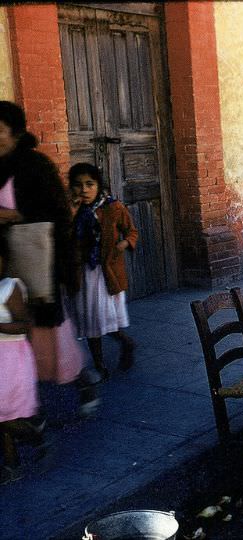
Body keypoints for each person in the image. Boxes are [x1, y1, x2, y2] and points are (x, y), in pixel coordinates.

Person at [0, 101, 98, 415]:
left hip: (36, 261)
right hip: (4, 263)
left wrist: (14, 214)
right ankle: (25, 402)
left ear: (13, 132)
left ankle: (82, 382)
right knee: (14, 332)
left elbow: (58, 213)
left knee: (51, 332)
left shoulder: (35, 165)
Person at [68, 163, 137, 380]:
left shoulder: (113, 207)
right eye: (78, 185)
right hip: (83, 273)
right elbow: (63, 237)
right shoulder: (72, 209)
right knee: (89, 320)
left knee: (106, 318)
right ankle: (98, 363)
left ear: (98, 185)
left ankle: (126, 343)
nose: (84, 190)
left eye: (90, 184)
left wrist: (124, 244)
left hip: (107, 274)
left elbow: (131, 231)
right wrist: (71, 212)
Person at [0, 244, 47, 484]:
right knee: (2, 414)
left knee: (5, 416)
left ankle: (36, 435)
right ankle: (12, 463)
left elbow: (24, 324)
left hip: (11, 358)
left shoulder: (10, 287)